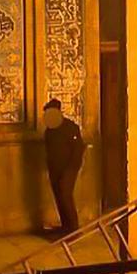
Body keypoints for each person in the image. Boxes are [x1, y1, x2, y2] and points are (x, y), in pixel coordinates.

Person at [43, 98, 85, 235]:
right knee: (59, 197)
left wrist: (71, 168)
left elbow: (78, 149)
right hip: (55, 169)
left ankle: (73, 228)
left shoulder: (70, 127)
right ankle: (65, 226)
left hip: (69, 168)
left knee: (65, 195)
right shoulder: (49, 131)